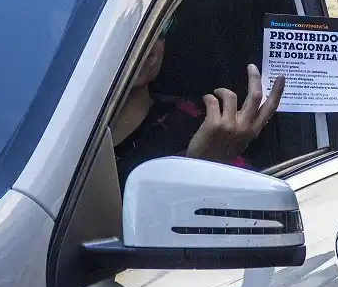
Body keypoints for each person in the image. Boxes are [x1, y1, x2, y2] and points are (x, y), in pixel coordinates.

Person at [112, 18, 285, 189]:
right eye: (125, 30)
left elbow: (253, 195)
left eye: (160, 30)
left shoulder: (200, 126)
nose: (148, 48)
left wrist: (206, 170)